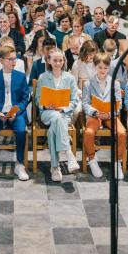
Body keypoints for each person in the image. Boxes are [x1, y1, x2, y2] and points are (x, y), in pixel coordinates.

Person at [0, 44, 30, 181]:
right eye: (10, 59)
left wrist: (17, 110)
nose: (14, 62)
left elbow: (25, 97)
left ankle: (19, 164)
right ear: (1, 60)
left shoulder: (21, 76)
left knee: (21, 131)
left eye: (15, 59)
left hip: (16, 112)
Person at [35, 48, 80, 182]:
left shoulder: (70, 78)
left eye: (61, 60)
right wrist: (45, 105)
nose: (58, 63)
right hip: (47, 112)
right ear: (49, 61)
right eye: (55, 60)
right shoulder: (43, 77)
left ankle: (55, 167)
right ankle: (69, 153)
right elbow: (37, 99)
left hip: (64, 113)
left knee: (52, 131)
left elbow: (74, 100)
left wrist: (64, 108)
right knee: (55, 117)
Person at [82, 52, 125, 179]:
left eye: (105, 68)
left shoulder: (115, 84)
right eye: (100, 67)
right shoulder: (88, 83)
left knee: (121, 133)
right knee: (89, 132)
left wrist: (111, 113)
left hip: (110, 115)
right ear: (95, 67)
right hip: (95, 115)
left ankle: (117, 162)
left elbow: (119, 104)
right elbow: (85, 103)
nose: (103, 70)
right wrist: (95, 112)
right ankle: (92, 159)